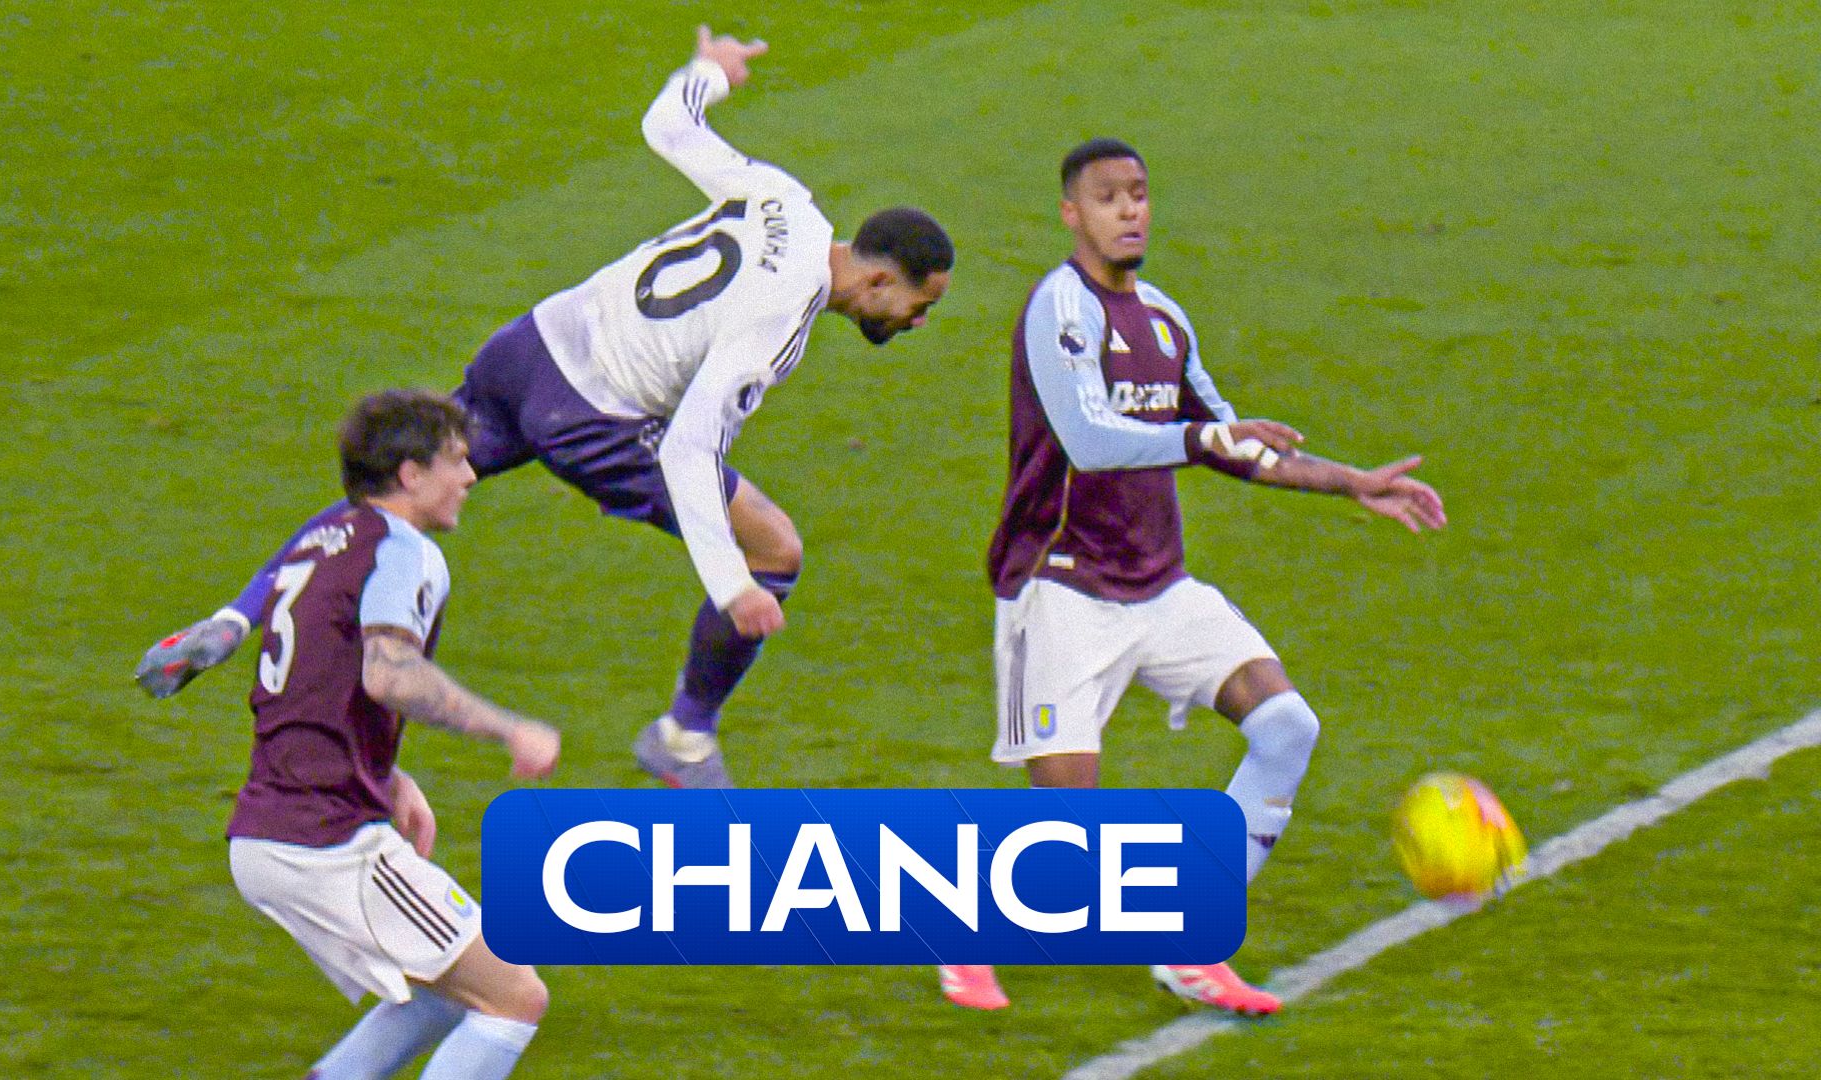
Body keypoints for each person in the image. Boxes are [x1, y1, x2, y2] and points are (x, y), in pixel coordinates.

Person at [135, 26, 954, 790]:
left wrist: (711, 70)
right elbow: (688, 450)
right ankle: (684, 737)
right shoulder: (782, 319)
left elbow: (669, 126)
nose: (916, 323)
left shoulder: (786, 200)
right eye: (919, 306)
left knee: (391, 496)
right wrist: (732, 583)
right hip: (591, 419)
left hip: (528, 348)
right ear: (880, 280)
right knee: (776, 547)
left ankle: (236, 617)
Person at [937, 139, 1446, 1014]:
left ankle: (1188, 943)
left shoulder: (1165, 321)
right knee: (1065, 836)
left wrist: (1351, 481)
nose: (1129, 210)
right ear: (1071, 213)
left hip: (1159, 588)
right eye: (1108, 197)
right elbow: (1090, 440)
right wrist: (1203, 439)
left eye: (1139, 194)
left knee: (1285, 727)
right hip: (1061, 590)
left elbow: (1231, 439)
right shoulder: (1059, 309)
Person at [207, 389, 562, 1078]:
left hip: (279, 826)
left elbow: (313, 684)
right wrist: (509, 728)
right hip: (323, 840)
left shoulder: (322, 544)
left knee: (449, 990)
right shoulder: (402, 552)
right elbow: (388, 673)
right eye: (455, 461)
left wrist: (388, 776)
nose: (470, 477)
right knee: (515, 996)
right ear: (411, 474)